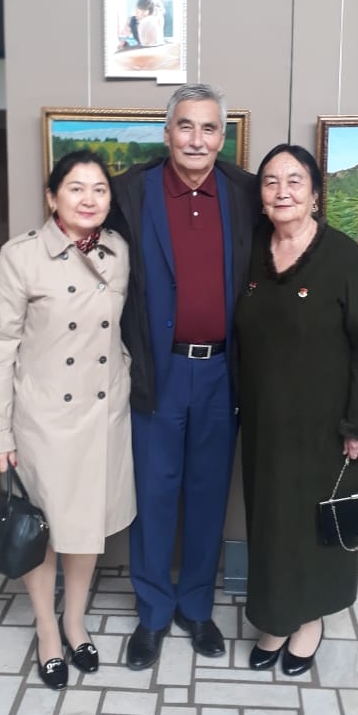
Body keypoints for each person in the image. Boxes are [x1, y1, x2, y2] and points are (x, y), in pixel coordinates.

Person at [111, 83, 258, 669]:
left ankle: (196, 606)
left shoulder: (245, 193)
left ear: (222, 137)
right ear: (167, 132)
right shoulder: (131, 192)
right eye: (186, 126)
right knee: (153, 491)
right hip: (158, 369)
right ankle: (152, 611)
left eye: (209, 128)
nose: (197, 139)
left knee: (207, 492)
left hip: (222, 370)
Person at [0, 150, 136, 691]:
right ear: (52, 198)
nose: (89, 199)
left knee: (85, 525)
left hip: (102, 410)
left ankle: (75, 620)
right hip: (43, 416)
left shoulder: (119, 251)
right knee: (42, 527)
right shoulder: (20, 256)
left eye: (99, 189)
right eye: (75, 188)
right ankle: (47, 627)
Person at [235, 144, 358, 676]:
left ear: (316, 194)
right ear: (260, 196)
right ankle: (276, 618)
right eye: (271, 181)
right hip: (264, 422)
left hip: (327, 426)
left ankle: (310, 621)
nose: (282, 192)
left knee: (317, 524)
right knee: (272, 523)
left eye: (294, 180)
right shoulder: (250, 251)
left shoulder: (343, 256)